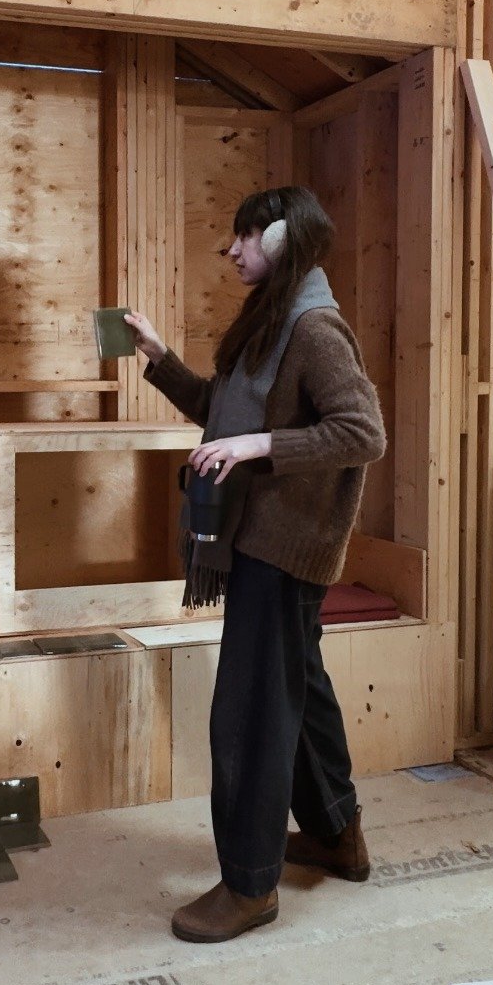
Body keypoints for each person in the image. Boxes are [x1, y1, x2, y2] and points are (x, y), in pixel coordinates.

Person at [122, 185, 386, 944]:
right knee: (296, 691)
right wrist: (158, 358)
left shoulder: (313, 328)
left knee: (249, 714)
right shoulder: (270, 324)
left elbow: (361, 431)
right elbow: (223, 412)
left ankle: (248, 886)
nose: (231, 250)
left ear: (278, 238)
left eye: (242, 237)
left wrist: (259, 447)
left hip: (280, 547)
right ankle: (337, 836)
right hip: (264, 542)